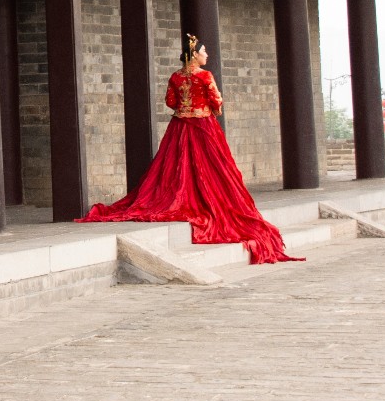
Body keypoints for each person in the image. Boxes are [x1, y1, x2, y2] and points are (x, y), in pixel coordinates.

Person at [80, 34, 300, 264]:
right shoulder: (204, 76)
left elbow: (170, 102)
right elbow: (216, 100)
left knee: (175, 165)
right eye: (204, 52)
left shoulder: (175, 76)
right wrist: (212, 109)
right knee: (212, 166)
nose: (207, 55)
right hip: (203, 125)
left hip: (180, 126)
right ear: (194, 54)